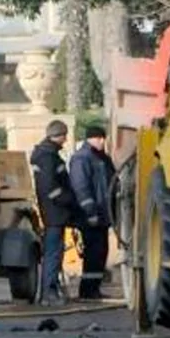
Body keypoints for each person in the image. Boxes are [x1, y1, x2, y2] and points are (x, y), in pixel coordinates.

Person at [31, 119, 77, 306]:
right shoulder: (48, 157)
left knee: (54, 252)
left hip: (53, 212)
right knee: (53, 253)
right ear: (59, 135)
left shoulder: (45, 154)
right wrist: (69, 200)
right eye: (64, 135)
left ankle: (51, 290)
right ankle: (48, 293)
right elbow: (51, 188)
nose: (65, 140)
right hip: (55, 213)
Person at [69, 125, 115, 300]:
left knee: (101, 252)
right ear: (90, 139)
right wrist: (90, 212)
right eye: (99, 138)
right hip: (89, 216)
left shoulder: (102, 158)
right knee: (93, 253)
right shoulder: (82, 158)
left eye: (103, 138)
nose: (102, 141)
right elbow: (81, 188)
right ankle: (87, 291)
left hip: (102, 215)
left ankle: (94, 288)